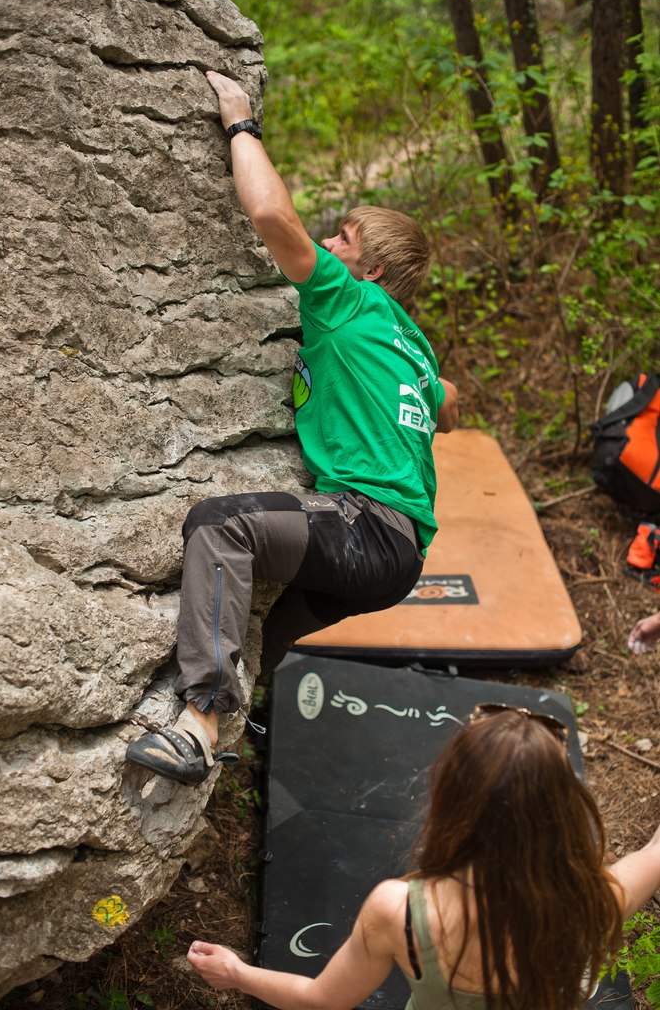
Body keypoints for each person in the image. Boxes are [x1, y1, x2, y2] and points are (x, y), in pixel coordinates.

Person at [125, 70, 459, 785]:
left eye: (344, 237)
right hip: (401, 560)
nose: (329, 242)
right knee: (266, 626)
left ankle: (200, 723)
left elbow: (274, 219)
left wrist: (239, 121)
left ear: (369, 268)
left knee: (223, 526)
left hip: (366, 527)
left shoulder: (347, 300)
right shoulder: (413, 344)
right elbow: (448, 398)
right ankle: (246, 727)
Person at [186, 704, 660, 1010]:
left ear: (453, 796)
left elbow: (321, 999)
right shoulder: (598, 900)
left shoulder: (400, 911)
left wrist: (238, 974)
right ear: (562, 809)